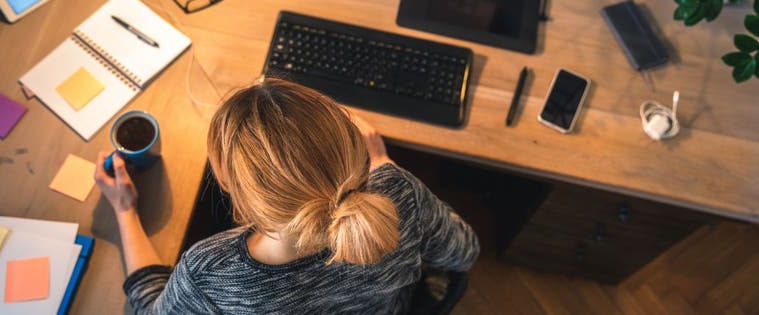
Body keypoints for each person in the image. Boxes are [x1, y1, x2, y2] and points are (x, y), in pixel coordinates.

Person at [95, 78, 480, 314]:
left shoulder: (210, 272)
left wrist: (126, 212)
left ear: (230, 185)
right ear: (352, 148)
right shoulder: (399, 193)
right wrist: (384, 164)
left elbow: (152, 309)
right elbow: (463, 251)